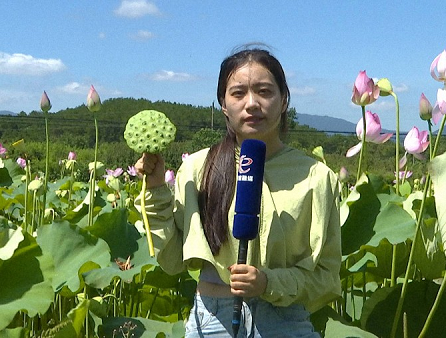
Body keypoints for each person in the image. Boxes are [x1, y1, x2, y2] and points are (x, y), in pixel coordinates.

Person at [135, 46, 341, 337]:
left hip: (284, 321)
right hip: (212, 319)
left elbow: (327, 278)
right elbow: (171, 262)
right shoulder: (197, 168)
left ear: (284, 101)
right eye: (238, 93)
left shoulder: (318, 178)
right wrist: (155, 190)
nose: (252, 103)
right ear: (223, 104)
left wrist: (268, 283)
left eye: (265, 91)